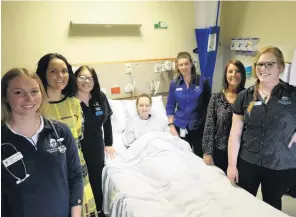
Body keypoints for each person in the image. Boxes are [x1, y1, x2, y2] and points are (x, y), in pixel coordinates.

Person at [1, 68, 83, 217]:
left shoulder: (61, 132)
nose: (29, 99)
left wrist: (75, 214)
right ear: (5, 96)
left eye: (34, 91)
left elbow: (76, 175)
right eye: (18, 92)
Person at [227, 46, 296, 210]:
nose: (263, 69)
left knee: (271, 207)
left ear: (280, 67)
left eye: (269, 64)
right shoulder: (245, 96)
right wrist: (231, 165)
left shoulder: (293, 95)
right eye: (260, 64)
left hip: (278, 164)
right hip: (248, 161)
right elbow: (235, 134)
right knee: (243, 204)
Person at [36, 53, 98, 217]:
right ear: (43, 73)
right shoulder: (36, 106)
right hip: (51, 172)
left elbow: (77, 137)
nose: (60, 76)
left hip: (76, 167)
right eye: (53, 71)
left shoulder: (74, 104)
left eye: (64, 71)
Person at [75, 65, 115, 214]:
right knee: (80, 183)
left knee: (96, 181)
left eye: (90, 78)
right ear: (75, 78)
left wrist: (109, 143)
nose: (87, 81)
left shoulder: (99, 97)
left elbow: (107, 120)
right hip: (77, 148)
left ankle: (98, 211)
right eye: (82, 77)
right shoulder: (70, 100)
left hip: (97, 145)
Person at [202, 60, 246, 173]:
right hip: (220, 151)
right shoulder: (216, 98)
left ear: (242, 74)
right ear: (225, 74)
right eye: (230, 71)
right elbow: (209, 126)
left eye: (237, 71)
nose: (233, 75)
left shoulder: (248, 97)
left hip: (242, 153)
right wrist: (207, 152)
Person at [166, 51, 211, 157]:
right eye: (181, 65)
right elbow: (170, 106)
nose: (184, 67)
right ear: (177, 66)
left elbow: (208, 106)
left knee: (199, 156)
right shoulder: (174, 84)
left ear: (191, 64)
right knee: (183, 157)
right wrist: (171, 126)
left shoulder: (202, 82)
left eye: (186, 64)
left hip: (198, 127)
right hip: (180, 126)